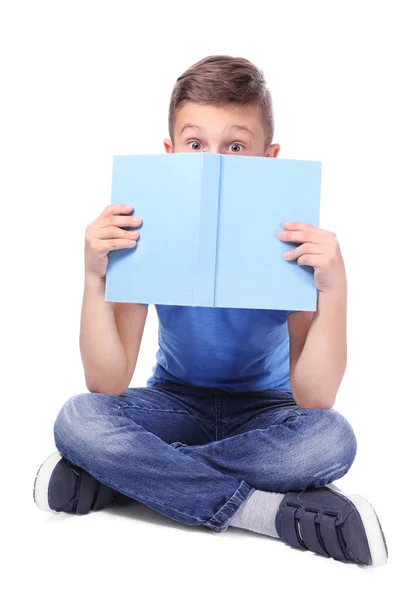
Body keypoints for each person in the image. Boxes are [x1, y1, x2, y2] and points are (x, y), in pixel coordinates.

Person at [33, 55, 388, 567]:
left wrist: (335, 289)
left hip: (268, 414)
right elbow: (106, 382)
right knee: (80, 420)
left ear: (269, 157)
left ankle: (130, 481)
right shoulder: (144, 231)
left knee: (332, 439)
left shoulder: (292, 239)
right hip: (175, 404)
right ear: (170, 152)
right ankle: (261, 511)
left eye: (236, 146)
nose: (214, 160)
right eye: (196, 144)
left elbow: (315, 396)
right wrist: (94, 277)